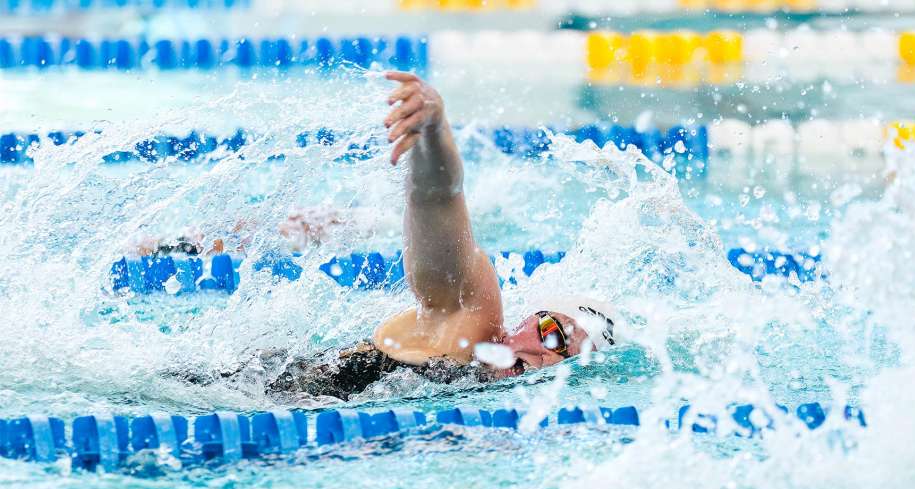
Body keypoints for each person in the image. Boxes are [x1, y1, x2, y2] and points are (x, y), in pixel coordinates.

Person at [212, 71, 622, 401]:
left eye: (565, 357)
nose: (545, 353)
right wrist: (433, 132)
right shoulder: (468, 322)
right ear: (531, 317)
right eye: (553, 330)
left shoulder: (484, 394)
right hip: (233, 391)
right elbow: (436, 199)